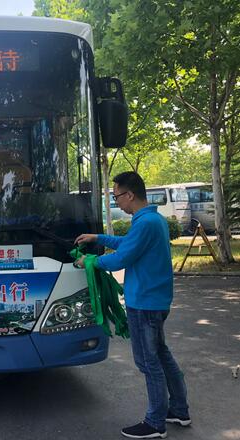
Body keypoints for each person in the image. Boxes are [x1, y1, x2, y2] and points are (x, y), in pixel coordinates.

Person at [74, 171, 190, 439]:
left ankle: (155, 423)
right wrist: (98, 237)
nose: (117, 202)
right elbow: (127, 244)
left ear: (129, 195)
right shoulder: (152, 220)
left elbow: (120, 259)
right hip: (155, 300)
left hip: (145, 303)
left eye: (116, 197)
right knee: (161, 355)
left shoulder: (145, 223)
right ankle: (179, 410)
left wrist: (88, 262)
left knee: (149, 362)